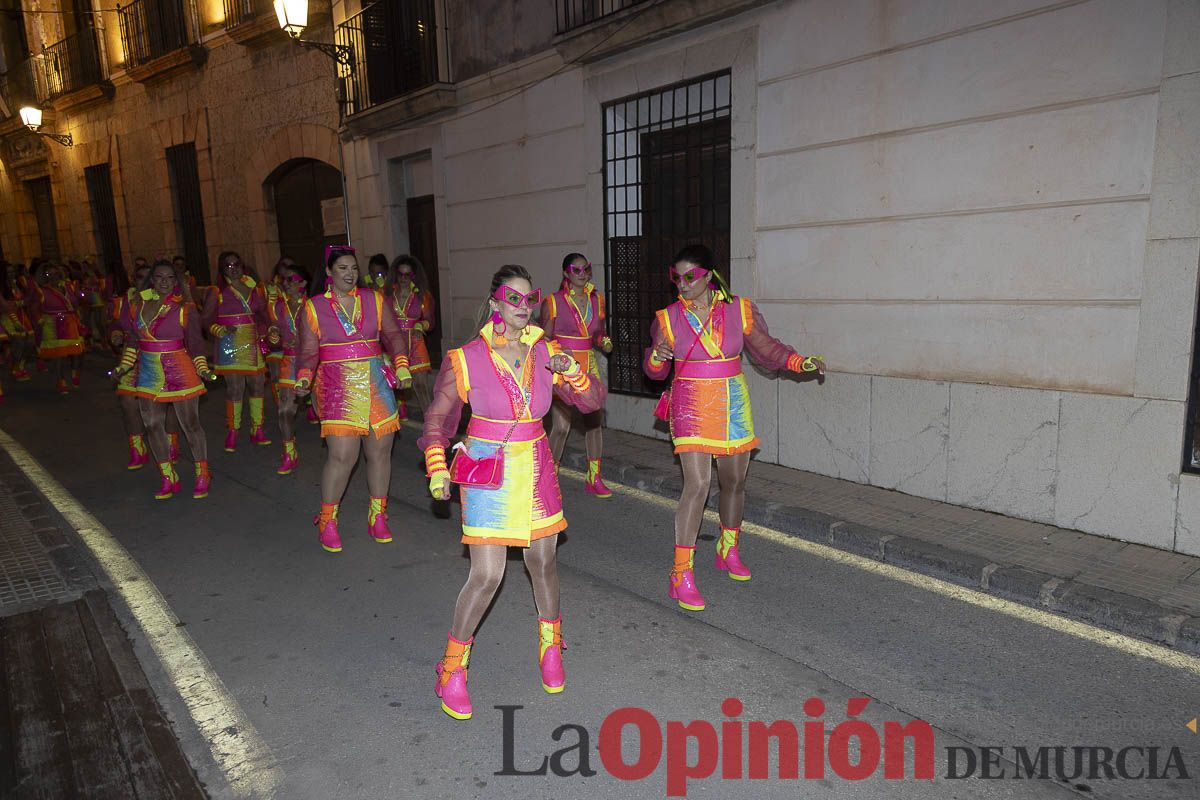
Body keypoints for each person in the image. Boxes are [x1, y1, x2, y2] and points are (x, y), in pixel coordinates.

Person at [419, 264, 600, 721]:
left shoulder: (546, 351)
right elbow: (438, 422)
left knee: (544, 561)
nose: (524, 307)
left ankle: (550, 646)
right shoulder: (466, 358)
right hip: (489, 469)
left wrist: (572, 372)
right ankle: (452, 669)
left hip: (536, 465)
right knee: (487, 575)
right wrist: (438, 469)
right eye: (513, 298)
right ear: (495, 302)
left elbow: (592, 402)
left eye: (529, 298)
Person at [644, 245, 825, 611]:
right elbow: (654, 371)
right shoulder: (667, 318)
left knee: (735, 481)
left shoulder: (737, 309)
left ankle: (728, 546)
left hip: (732, 403)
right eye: (676, 277)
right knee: (697, 485)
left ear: (709, 276)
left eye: (690, 276)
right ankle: (681, 572)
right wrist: (656, 357)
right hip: (690, 402)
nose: (683, 284)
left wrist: (799, 361)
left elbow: (766, 349)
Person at [294, 246, 412, 552]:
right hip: (336, 384)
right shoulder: (313, 307)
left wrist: (401, 364)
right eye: (343, 268)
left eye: (353, 268)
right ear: (330, 273)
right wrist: (305, 376)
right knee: (342, 456)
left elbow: (394, 335)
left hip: (374, 380)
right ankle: (327, 520)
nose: (350, 273)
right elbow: (307, 351)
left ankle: (378, 515)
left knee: (380, 452)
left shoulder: (374, 299)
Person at [113, 260, 214, 500]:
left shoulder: (184, 308)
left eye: (170, 278)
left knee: (190, 424)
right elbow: (134, 342)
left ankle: (203, 474)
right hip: (148, 372)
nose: (165, 282)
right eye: (159, 278)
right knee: (151, 425)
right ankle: (168, 476)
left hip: (180, 370)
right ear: (152, 281)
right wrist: (124, 366)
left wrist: (202, 368)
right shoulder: (137, 306)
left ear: (176, 281)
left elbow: (196, 343)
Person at [541, 253, 614, 496]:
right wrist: (562, 352)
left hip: (588, 364)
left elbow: (597, 331)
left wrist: (603, 341)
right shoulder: (553, 301)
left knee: (594, 424)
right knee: (561, 426)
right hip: (563, 365)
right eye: (576, 270)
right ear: (566, 273)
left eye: (586, 269)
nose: (582, 274)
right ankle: (548, 480)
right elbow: (545, 339)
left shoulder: (597, 299)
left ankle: (594, 477)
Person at [203, 251, 272, 451]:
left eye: (236, 264)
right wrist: (220, 329)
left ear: (243, 266)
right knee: (234, 389)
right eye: (228, 265)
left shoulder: (254, 288)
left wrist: (268, 330)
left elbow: (263, 314)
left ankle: (257, 429)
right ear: (222, 269)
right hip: (229, 344)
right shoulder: (216, 291)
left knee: (257, 385)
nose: (233, 268)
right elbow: (206, 319)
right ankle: (233, 430)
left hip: (251, 341)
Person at [266, 262, 309, 475]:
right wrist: (273, 334)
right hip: (290, 361)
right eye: (284, 280)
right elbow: (275, 332)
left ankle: (339, 451)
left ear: (303, 283)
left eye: (291, 280)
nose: (286, 284)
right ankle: (289, 452)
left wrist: (302, 342)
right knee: (284, 410)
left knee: (323, 411)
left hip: (313, 363)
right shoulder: (278, 307)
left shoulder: (314, 306)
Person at [385, 255, 437, 414]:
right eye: (400, 274)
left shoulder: (422, 295)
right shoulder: (386, 294)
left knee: (421, 385)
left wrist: (420, 325)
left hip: (415, 341)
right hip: (393, 343)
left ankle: (431, 425)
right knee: (393, 385)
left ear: (413, 275)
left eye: (407, 275)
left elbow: (430, 321)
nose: (403, 278)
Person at [28, 263, 85, 393]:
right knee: (59, 355)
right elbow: (34, 308)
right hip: (53, 324)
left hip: (70, 322)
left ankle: (75, 372)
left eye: (55, 273)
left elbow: (76, 303)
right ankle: (61, 381)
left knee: (78, 352)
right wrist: (39, 320)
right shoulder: (41, 291)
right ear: (44, 276)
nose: (53, 276)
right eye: (49, 274)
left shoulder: (68, 287)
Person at [1, 262, 33, 382]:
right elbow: (5, 305)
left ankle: (20, 365)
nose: (11, 274)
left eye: (12, 271)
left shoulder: (16, 284)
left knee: (30, 342)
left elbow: (25, 300)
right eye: (8, 272)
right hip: (8, 317)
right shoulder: (2, 287)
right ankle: (15, 368)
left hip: (22, 315)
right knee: (18, 342)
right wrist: (20, 303)